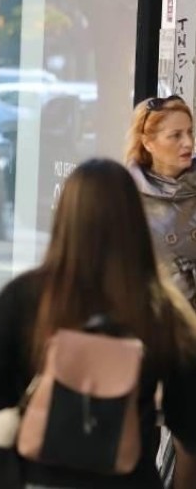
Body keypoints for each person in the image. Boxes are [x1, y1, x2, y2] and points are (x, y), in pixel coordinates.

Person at [0, 158, 196, 488]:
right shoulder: (160, 310)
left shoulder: (26, 297)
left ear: (64, 218)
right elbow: (188, 418)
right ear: (135, 221)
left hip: (30, 475)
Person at [125, 94, 196, 486]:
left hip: (192, 335)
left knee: (191, 439)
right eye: (176, 135)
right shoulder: (125, 193)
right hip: (143, 331)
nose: (188, 143)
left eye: (190, 133)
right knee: (139, 433)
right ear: (147, 141)